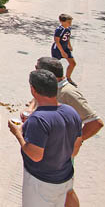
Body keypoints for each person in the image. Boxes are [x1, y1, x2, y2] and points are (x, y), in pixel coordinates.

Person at [33, 57, 103, 207]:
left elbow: (96, 123)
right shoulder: (52, 89)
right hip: (51, 150)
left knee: (66, 190)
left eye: (37, 68)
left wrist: (76, 142)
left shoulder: (68, 93)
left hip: (62, 152)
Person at [8, 69, 82, 207]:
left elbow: (35, 155)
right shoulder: (71, 112)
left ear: (33, 90)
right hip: (64, 177)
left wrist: (17, 133)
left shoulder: (39, 119)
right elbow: (75, 148)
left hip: (41, 183)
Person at [51, 13, 76, 86]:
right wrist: (62, 52)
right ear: (62, 22)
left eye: (70, 22)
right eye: (68, 22)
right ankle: (53, 80)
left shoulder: (68, 28)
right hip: (58, 49)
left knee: (73, 63)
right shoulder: (59, 30)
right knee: (55, 65)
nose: (70, 24)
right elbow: (57, 41)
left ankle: (68, 78)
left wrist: (69, 46)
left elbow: (68, 37)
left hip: (66, 48)